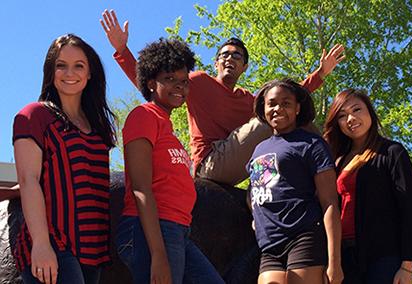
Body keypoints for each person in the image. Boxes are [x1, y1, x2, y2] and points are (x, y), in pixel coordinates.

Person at [100, 9, 345, 185]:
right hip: (211, 162)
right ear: (216, 62)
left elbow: (288, 97)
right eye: (225, 55)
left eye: (237, 56)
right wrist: (122, 51)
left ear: (244, 67)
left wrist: (321, 73)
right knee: (269, 117)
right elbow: (157, 84)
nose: (230, 58)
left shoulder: (248, 100)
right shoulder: (197, 82)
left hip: (239, 166)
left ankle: (335, 167)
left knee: (289, 114)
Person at [115, 38, 224, 284]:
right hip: (150, 231)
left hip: (178, 230)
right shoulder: (143, 116)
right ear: (152, 83)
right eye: (170, 79)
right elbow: (141, 189)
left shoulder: (168, 128)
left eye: (184, 81)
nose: (180, 87)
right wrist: (158, 254)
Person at [12, 34, 116, 284]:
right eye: (61, 65)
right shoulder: (33, 115)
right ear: (51, 70)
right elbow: (29, 180)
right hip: (52, 244)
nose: (70, 72)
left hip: (93, 251)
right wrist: (40, 244)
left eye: (79, 65)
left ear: (90, 72)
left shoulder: (99, 127)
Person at [248, 79, 343, 284]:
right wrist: (255, 216)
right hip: (269, 244)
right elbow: (253, 188)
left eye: (286, 103)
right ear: (263, 107)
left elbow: (330, 203)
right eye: (272, 103)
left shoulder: (312, 144)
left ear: (298, 108)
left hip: (303, 234)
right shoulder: (258, 149)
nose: (278, 108)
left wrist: (335, 262)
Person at [323, 89, 412, 284]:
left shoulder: (392, 152)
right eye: (342, 115)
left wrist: (407, 266)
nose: (350, 118)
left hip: (384, 255)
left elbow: (409, 208)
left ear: (370, 112)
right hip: (345, 256)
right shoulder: (338, 160)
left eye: (356, 109)